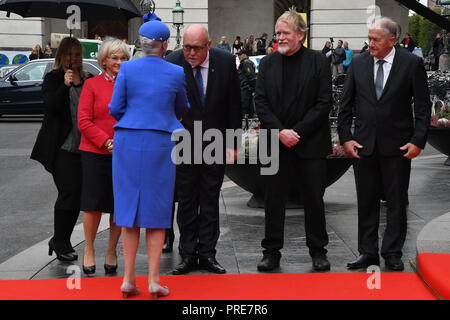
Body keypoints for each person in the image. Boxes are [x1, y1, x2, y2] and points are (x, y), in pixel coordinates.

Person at [337, 17, 431, 271]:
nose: (370, 44)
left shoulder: (411, 64)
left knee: (396, 201)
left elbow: (423, 107)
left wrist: (418, 142)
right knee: (366, 201)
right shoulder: (358, 63)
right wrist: (346, 138)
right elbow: (344, 106)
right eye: (368, 39)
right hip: (364, 146)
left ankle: (392, 252)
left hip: (399, 147)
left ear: (393, 40)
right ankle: (367, 252)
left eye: (376, 39)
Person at [109, 20, 189, 299]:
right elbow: (182, 108)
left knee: (128, 210)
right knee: (157, 211)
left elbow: (115, 108)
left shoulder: (127, 69)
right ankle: (154, 279)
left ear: (142, 44)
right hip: (160, 142)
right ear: (165, 45)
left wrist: (133, 121)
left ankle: (129, 279)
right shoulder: (177, 72)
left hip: (128, 142)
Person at [254, 8, 332, 272]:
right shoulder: (267, 63)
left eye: (285, 32)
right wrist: (279, 132)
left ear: (301, 34)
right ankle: (271, 252)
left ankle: (318, 252)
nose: (280, 37)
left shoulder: (319, 61)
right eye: (277, 33)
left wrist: (296, 132)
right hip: (275, 144)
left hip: (309, 144)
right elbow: (260, 103)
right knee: (273, 200)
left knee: (313, 200)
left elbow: (324, 103)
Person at [166, 25, 241, 275]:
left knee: (210, 199)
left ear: (209, 45)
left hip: (215, 142)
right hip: (183, 143)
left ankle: (208, 253)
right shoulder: (173, 62)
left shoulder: (227, 62)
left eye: (197, 48)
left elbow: (234, 106)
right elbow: (166, 105)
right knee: (187, 200)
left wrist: (233, 144)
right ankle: (187, 255)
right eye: (187, 47)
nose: (191, 53)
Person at [31, 37, 92, 262]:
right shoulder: (53, 78)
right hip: (61, 147)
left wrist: (77, 84)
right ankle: (61, 241)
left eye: (77, 54)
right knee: (69, 192)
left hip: (85, 147)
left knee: (76, 196)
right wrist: (65, 86)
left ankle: (59, 238)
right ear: (60, 56)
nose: (73, 59)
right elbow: (50, 107)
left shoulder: (88, 79)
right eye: (69, 54)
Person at [77, 38, 130, 275]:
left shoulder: (132, 85)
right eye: (114, 58)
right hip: (95, 153)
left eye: (123, 58)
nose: (119, 62)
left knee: (119, 206)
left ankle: (111, 250)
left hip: (125, 153)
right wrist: (105, 140)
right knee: (93, 205)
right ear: (104, 61)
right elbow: (83, 121)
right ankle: (88, 249)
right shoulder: (92, 85)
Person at [237, 49, 256, 117]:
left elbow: (251, 75)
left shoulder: (246, 63)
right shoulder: (244, 63)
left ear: (244, 55)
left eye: (240, 55)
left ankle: (245, 121)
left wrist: (252, 87)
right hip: (246, 87)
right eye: (238, 55)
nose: (238, 56)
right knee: (248, 106)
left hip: (246, 87)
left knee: (244, 105)